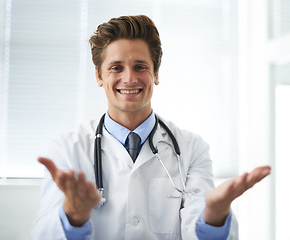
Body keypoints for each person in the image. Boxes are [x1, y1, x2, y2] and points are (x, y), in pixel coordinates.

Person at [32, 15, 271, 240]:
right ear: (99, 76)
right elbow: (43, 232)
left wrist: (215, 216)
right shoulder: (66, 149)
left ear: (156, 73)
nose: (129, 78)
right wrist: (73, 216)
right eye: (116, 67)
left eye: (140, 67)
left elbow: (197, 223)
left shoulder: (192, 148)